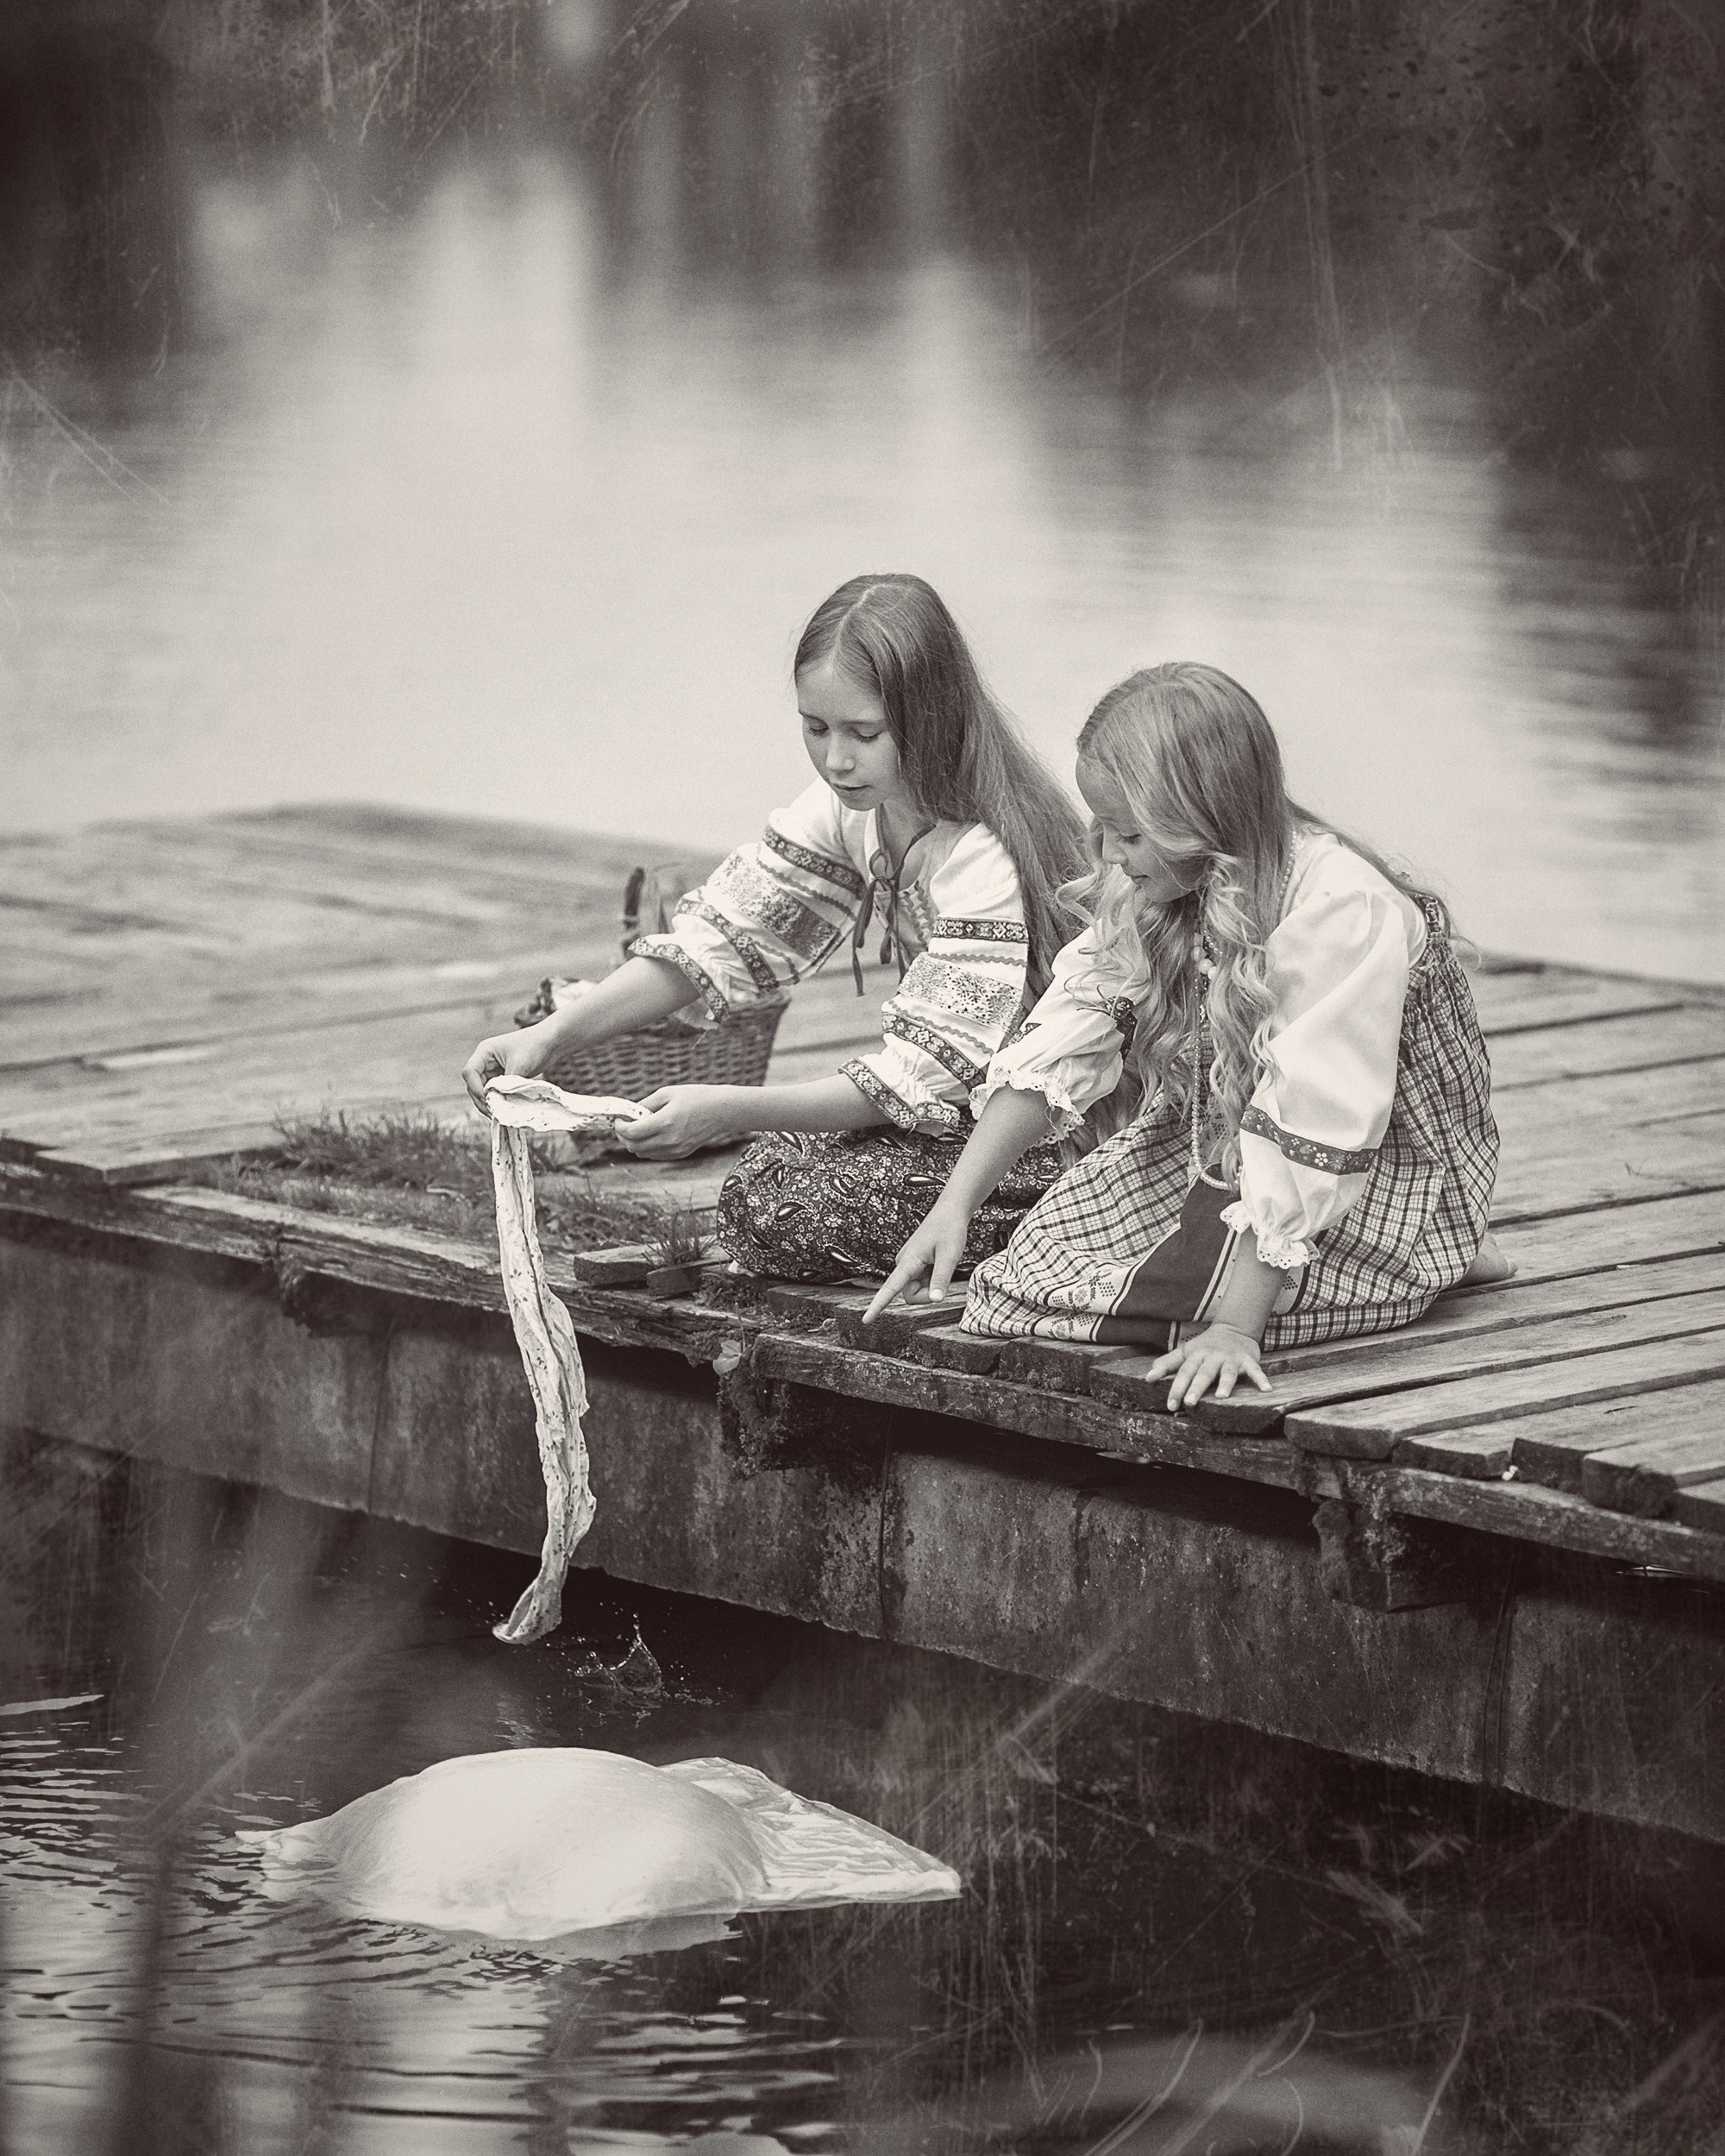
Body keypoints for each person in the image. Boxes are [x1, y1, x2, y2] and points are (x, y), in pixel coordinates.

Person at [862, 661, 1505, 1407]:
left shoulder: (1339, 911)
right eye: (1100, 824)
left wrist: (1237, 1330)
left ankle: (1441, 1246)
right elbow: (1074, 1026)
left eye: (1128, 833)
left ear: (1202, 820)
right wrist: (955, 1204)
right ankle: (1440, 1258)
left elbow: (1314, 1124)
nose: (1104, 852)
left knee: (1139, 1309)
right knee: (1023, 1282)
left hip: (1368, 1172)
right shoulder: (1165, 880)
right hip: (1227, 1146)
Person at [462, 573, 1089, 1279]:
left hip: (1039, 1142)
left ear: (931, 715)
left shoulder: (982, 854)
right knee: (773, 1178)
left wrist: (728, 1110)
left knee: (781, 1202)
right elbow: (721, 940)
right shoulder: (854, 807)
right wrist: (548, 1037)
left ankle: (1048, 1227)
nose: (835, 759)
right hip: (947, 1123)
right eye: (815, 728)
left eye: (864, 732)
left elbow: (923, 1077)